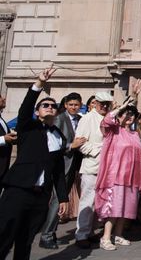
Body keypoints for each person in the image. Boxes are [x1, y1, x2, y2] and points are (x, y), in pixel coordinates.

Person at [0, 68, 68, 260]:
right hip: (18, 190)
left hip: (40, 196)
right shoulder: (27, 128)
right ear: (37, 112)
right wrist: (39, 84)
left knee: (26, 239)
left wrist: (62, 197)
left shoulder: (59, 136)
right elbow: (25, 107)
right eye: (45, 105)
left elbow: (58, 170)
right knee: (5, 234)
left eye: (53, 105)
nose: (49, 107)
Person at [94, 98, 141, 250]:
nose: (129, 117)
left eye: (132, 115)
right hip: (116, 176)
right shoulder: (113, 131)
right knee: (114, 208)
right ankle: (106, 237)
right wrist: (120, 107)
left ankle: (119, 235)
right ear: (119, 116)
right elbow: (106, 121)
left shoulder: (135, 134)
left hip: (132, 176)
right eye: (126, 114)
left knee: (126, 208)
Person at [39, 92, 86, 249]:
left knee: (60, 200)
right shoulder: (59, 118)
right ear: (65, 105)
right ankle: (46, 235)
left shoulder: (81, 119)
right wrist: (70, 146)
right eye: (70, 104)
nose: (73, 107)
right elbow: (52, 142)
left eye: (76, 105)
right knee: (57, 200)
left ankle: (51, 233)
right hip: (60, 164)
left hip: (73, 164)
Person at [75, 90, 113, 248]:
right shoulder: (87, 119)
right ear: (95, 103)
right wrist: (101, 149)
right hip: (92, 165)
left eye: (107, 104)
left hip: (108, 167)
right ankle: (81, 234)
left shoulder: (111, 118)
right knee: (88, 200)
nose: (104, 106)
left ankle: (91, 231)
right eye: (102, 103)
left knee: (101, 202)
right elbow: (80, 143)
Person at [0, 94, 17, 187]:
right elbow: (3, 138)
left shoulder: (1, 119)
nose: (4, 99)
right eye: (0, 97)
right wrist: (3, 139)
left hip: (3, 169)